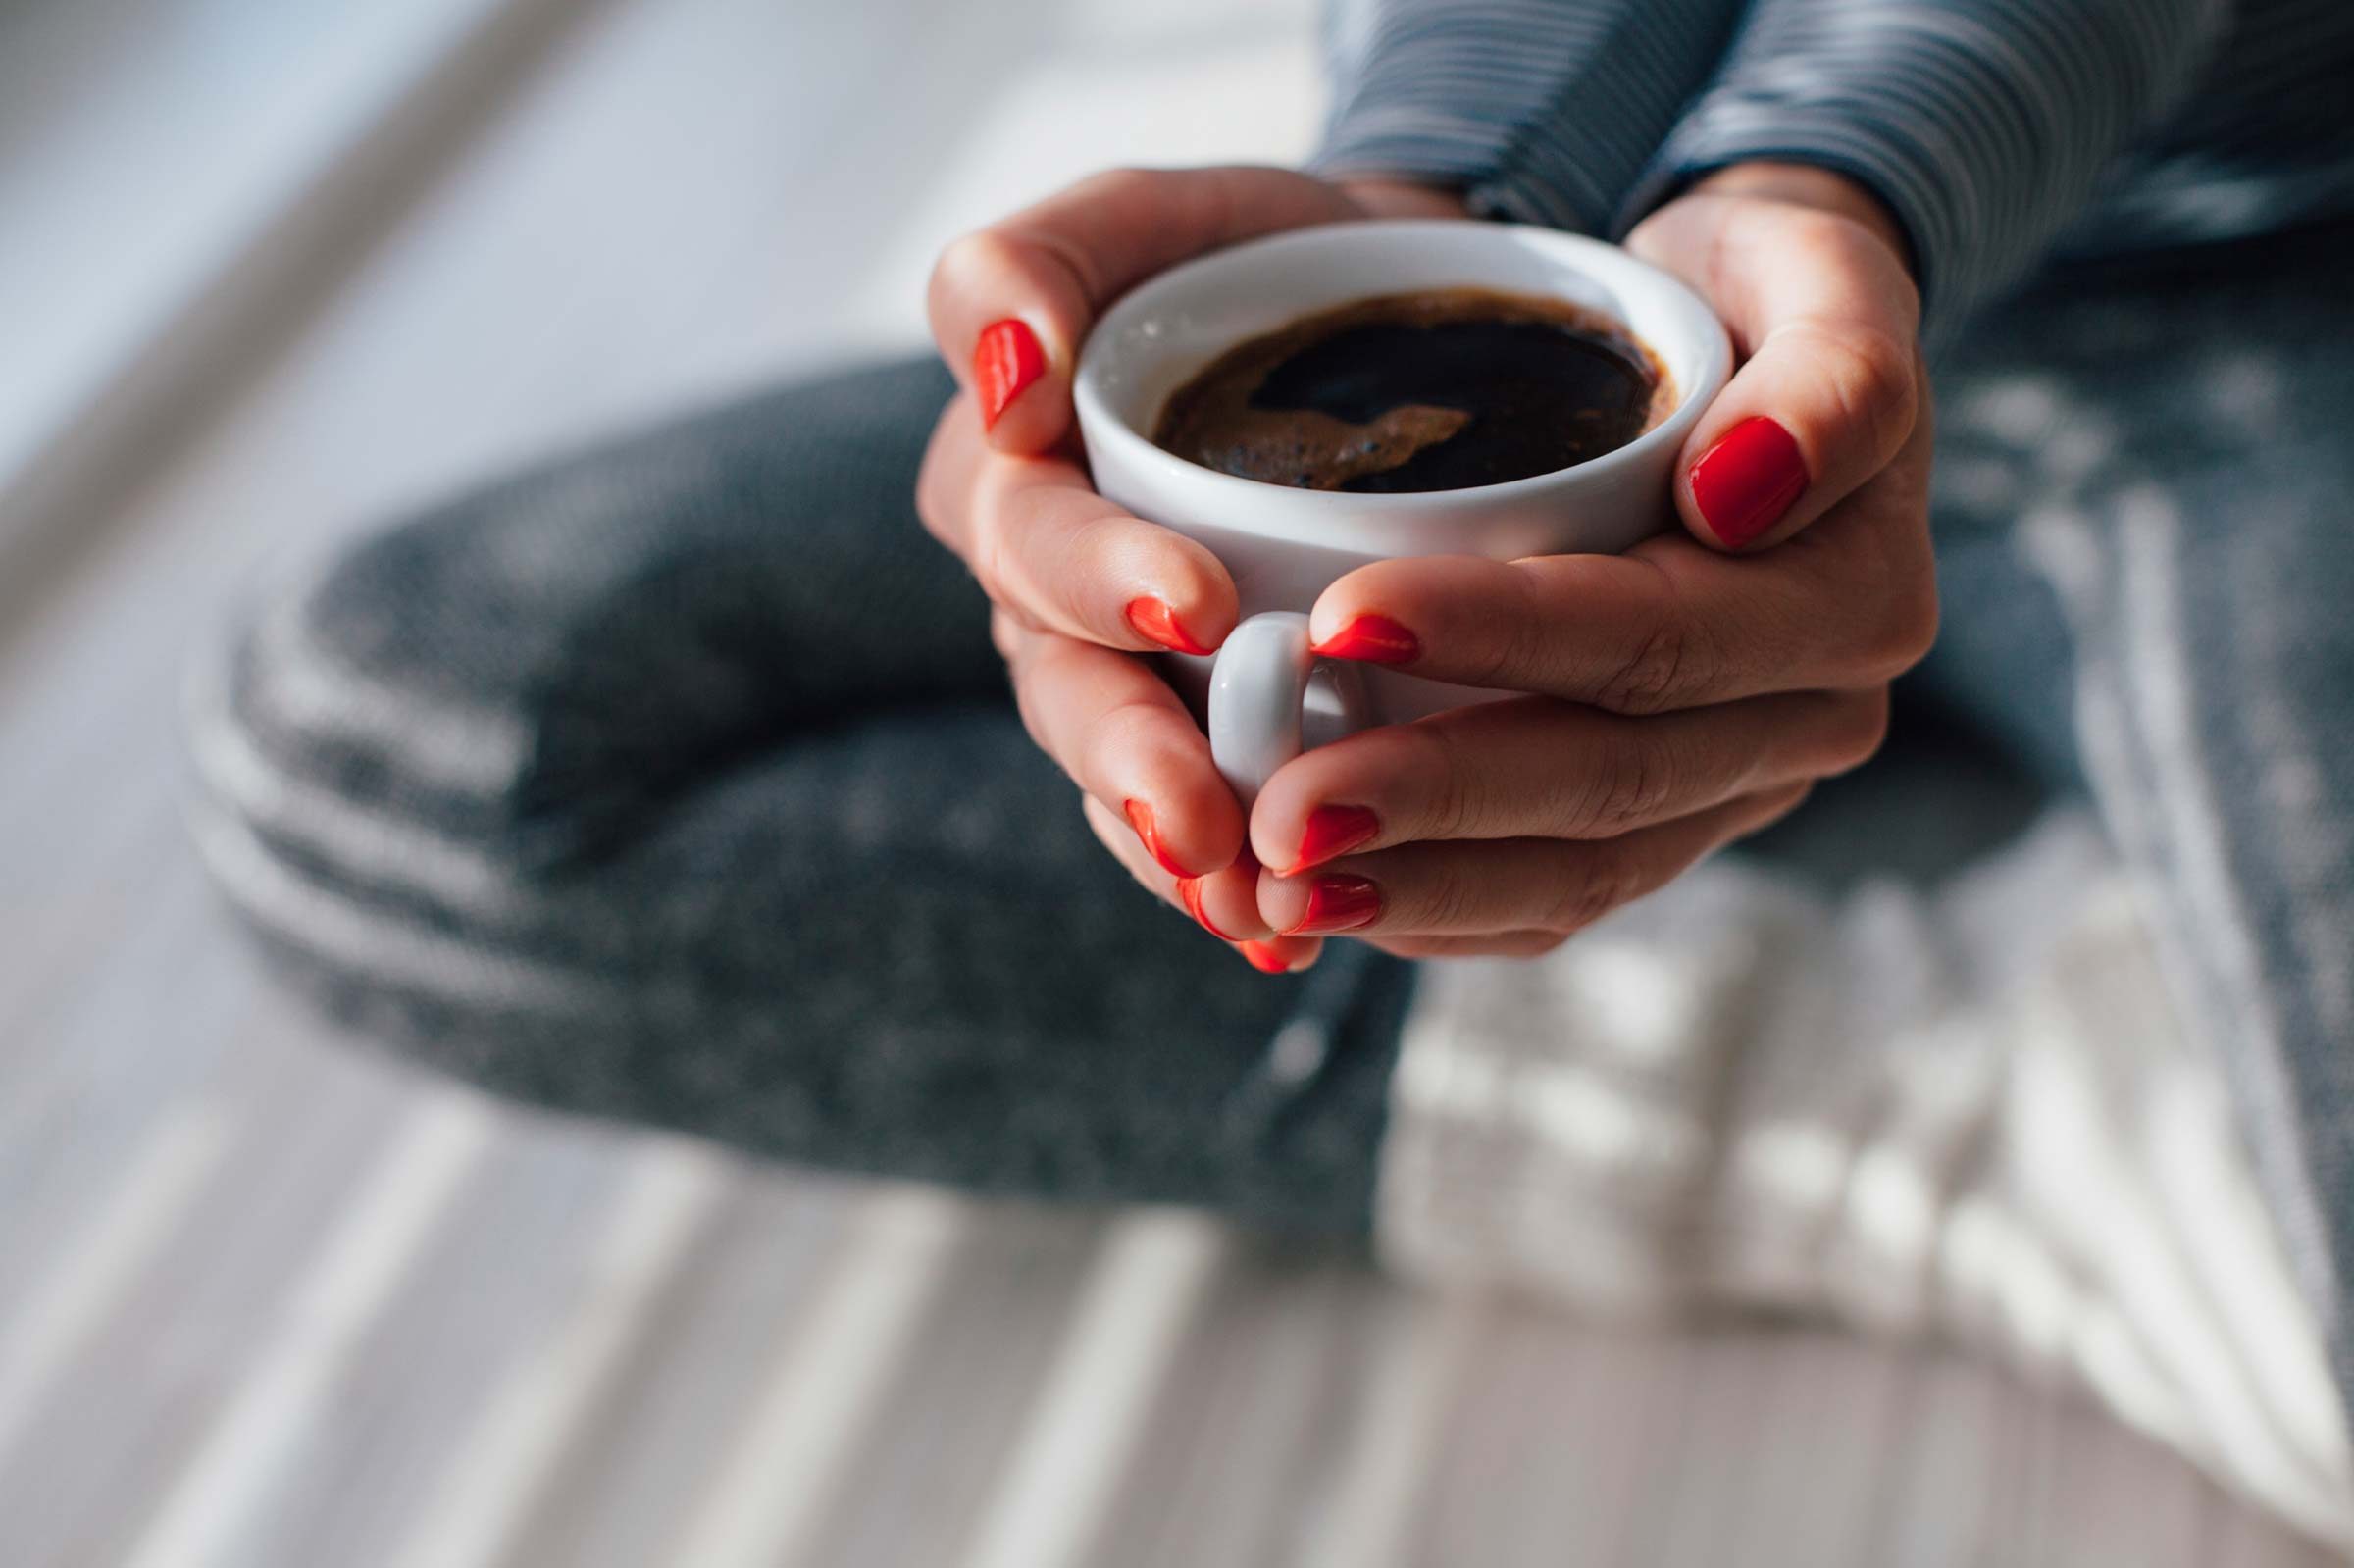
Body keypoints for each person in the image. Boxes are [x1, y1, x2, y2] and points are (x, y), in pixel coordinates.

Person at [190, 0, 2354, 1536]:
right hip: (1586, 256)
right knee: (389, 745)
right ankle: (1926, 1097)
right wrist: (1428, 190)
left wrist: (1861, 168)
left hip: (2281, 306)